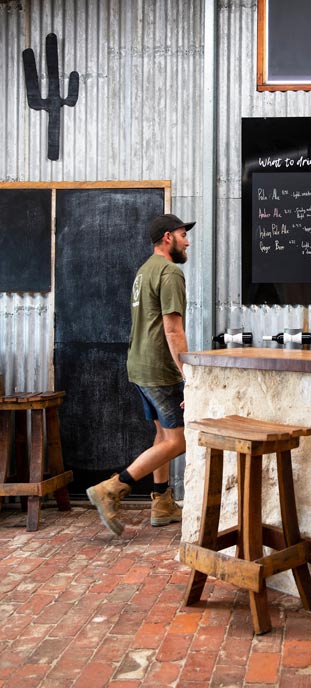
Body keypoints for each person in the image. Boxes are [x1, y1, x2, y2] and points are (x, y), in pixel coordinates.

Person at [87, 213, 195, 535]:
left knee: (162, 435)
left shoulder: (143, 271)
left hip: (139, 366)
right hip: (160, 370)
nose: (187, 241)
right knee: (179, 439)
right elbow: (173, 329)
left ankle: (161, 502)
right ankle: (112, 488)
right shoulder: (169, 273)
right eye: (182, 235)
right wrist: (189, 376)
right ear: (167, 238)